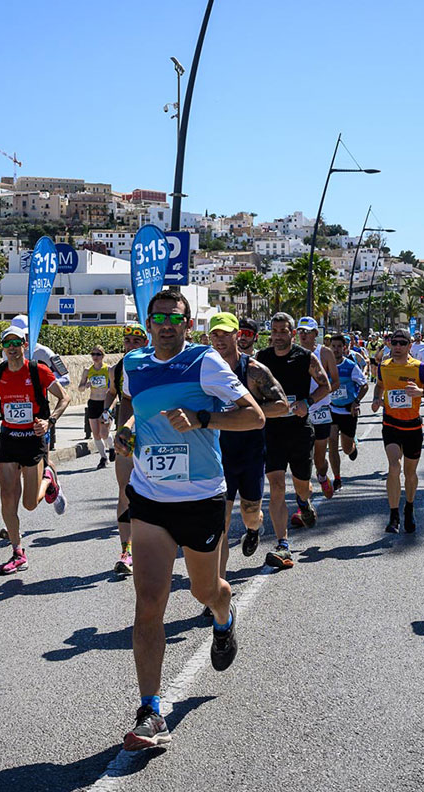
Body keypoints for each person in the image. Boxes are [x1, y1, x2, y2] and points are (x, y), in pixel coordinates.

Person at [115, 289, 265, 750]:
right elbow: (129, 409)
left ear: (188, 323)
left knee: (205, 591)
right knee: (149, 601)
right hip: (151, 498)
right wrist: (126, 431)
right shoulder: (134, 365)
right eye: (158, 318)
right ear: (148, 322)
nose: (166, 325)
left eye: (175, 319)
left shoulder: (205, 362)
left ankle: (224, 615)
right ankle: (150, 710)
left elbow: (254, 417)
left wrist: (202, 418)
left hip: (200, 496)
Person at [0, 326, 70, 574]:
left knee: (30, 503)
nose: (12, 347)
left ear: (24, 345)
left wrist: (50, 420)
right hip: (8, 438)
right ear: (3, 347)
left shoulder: (38, 371)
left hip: (33, 438)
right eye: (7, 343)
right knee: (7, 496)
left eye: (16, 343)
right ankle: (18, 551)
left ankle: (49, 479)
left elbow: (64, 397)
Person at [208, 312, 289, 597]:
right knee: (222, 524)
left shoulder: (253, 370)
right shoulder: (203, 368)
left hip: (251, 452)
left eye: (225, 334)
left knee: (250, 513)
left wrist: (246, 413)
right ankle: (217, 590)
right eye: (214, 334)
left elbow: (282, 406)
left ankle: (254, 530)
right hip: (217, 455)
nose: (219, 340)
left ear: (237, 336)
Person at [256, 312, 331, 568]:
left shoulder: (305, 357)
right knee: (276, 486)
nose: (277, 335)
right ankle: (282, 544)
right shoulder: (261, 359)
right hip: (272, 431)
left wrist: (306, 402)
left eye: (283, 331)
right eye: (274, 331)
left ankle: (303, 502)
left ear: (292, 332)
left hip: (299, 430)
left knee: (303, 486)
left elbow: (326, 385)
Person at [371, 328, 424, 534]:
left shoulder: (419, 368)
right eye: (394, 342)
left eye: (402, 343)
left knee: (409, 473)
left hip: (412, 426)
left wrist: (422, 392)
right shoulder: (384, 366)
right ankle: (393, 515)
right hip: (391, 424)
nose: (398, 346)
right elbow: (379, 386)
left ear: (410, 346)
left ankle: (409, 508)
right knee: (394, 466)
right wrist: (377, 398)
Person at [102, 323, 149, 575]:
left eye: (136, 340)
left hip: (154, 437)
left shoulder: (155, 365)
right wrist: (106, 409)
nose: (131, 345)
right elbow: (111, 393)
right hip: (126, 436)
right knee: (124, 490)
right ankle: (126, 551)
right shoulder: (117, 368)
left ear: (145, 342)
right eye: (127, 341)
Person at [296, 316, 340, 500]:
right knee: (302, 455)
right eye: (300, 332)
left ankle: (322, 476)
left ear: (316, 333)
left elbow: (335, 382)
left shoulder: (325, 353)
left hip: (321, 409)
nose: (304, 335)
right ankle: (303, 498)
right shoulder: (293, 353)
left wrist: (318, 397)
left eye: (307, 332)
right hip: (300, 411)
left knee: (320, 458)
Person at [327, 333, 368, 490]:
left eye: (339, 346)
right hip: (332, 409)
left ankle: (352, 447)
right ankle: (337, 478)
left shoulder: (350, 366)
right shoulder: (326, 366)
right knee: (332, 443)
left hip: (347, 411)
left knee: (345, 448)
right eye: (333, 346)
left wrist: (356, 402)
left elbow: (364, 385)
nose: (336, 349)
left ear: (344, 348)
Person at [7, 314, 70, 387]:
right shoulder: (7, 352)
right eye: (18, 336)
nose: (25, 338)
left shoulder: (44, 351)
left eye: (27, 334)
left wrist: (43, 382)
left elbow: (66, 378)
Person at [78, 345, 114, 468]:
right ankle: (103, 458)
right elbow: (80, 388)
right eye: (93, 354)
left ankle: (112, 447)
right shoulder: (88, 370)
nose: (95, 357)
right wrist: (86, 385)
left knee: (104, 433)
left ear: (103, 356)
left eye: (98, 354)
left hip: (105, 403)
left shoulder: (108, 370)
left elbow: (113, 390)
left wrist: (109, 408)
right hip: (93, 403)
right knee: (96, 434)